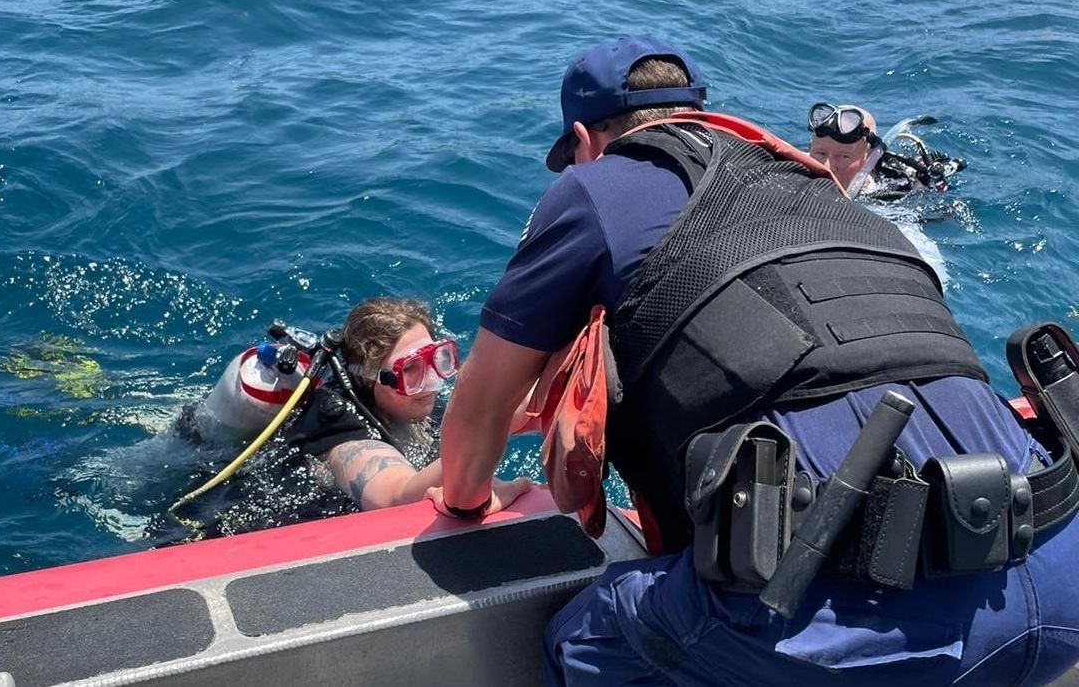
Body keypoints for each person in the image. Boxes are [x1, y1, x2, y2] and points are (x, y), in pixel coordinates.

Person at [435, 36, 1079, 686]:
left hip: (874, 633)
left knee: (586, 639)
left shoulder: (593, 187)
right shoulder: (816, 186)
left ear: (584, 138)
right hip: (1060, 563)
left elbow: (478, 409)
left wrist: (468, 499)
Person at [204, 297, 530, 536]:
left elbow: (522, 406)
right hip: (231, 528)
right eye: (411, 371)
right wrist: (492, 425)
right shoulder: (344, 437)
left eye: (438, 359)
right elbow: (396, 495)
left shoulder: (410, 402)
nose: (432, 381)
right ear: (370, 378)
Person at [808, 102, 967, 201]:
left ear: (869, 158)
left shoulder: (891, 187)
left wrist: (931, 185)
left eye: (843, 157)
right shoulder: (792, 169)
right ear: (810, 147)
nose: (827, 166)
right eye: (821, 154)